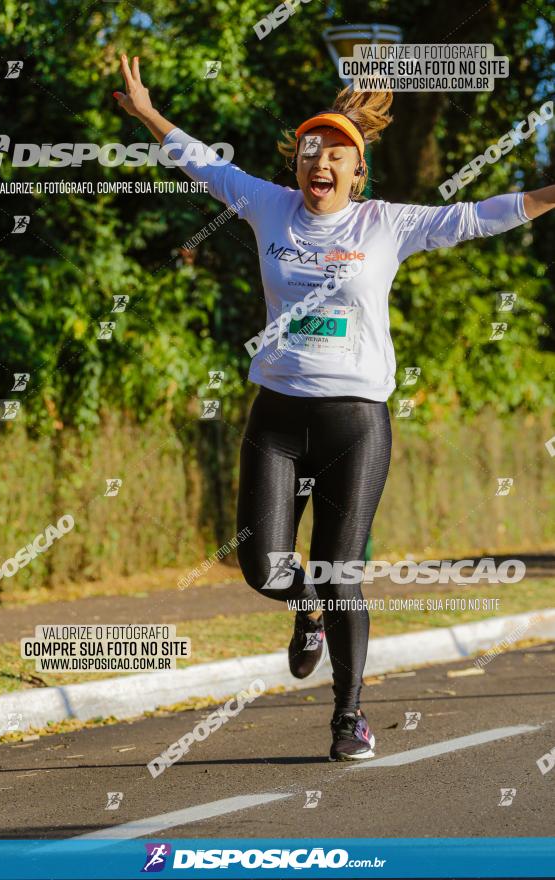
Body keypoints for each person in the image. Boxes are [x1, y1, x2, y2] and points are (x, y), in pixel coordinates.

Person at [114, 54, 555, 761]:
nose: (318, 164)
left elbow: (476, 216)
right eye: (308, 153)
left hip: (355, 422)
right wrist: (145, 113)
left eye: (335, 156)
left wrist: (548, 194)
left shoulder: (385, 224)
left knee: (339, 571)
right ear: (297, 166)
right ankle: (304, 608)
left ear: (356, 174)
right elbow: (201, 164)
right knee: (264, 568)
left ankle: (348, 716)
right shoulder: (267, 205)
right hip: (277, 418)